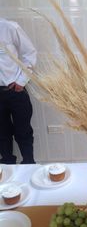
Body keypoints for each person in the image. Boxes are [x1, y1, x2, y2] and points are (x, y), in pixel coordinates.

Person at [0, 17, 37, 164]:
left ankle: (29, 164)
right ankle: (7, 167)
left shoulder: (9, 27)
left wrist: (21, 81)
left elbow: (30, 54)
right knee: (2, 134)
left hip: (14, 92)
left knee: (23, 133)